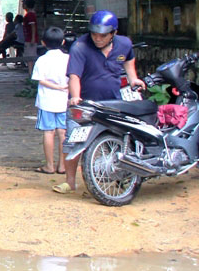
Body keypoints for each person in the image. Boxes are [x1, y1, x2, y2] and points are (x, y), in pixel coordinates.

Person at [57, 10, 145, 194]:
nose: (97, 39)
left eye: (103, 35)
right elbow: (74, 76)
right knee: (73, 142)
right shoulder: (80, 46)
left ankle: (117, 178)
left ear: (114, 33)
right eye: (94, 34)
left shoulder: (124, 44)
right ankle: (70, 182)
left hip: (113, 103)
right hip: (85, 104)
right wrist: (75, 97)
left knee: (116, 140)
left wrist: (133, 78)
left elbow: (129, 59)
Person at [31, 27, 68, 175]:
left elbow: (40, 80)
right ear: (63, 42)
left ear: (43, 43)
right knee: (63, 132)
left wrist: (55, 86)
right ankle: (62, 166)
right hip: (64, 100)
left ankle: (49, 166)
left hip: (47, 101)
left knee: (48, 132)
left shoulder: (42, 60)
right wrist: (63, 87)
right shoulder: (68, 58)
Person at [21, 0, 38, 72]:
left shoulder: (30, 15)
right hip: (29, 38)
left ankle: (31, 74)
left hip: (30, 39)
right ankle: (31, 73)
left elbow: (33, 27)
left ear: (26, 5)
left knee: (30, 57)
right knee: (29, 56)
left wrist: (32, 38)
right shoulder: (29, 14)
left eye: (24, 4)